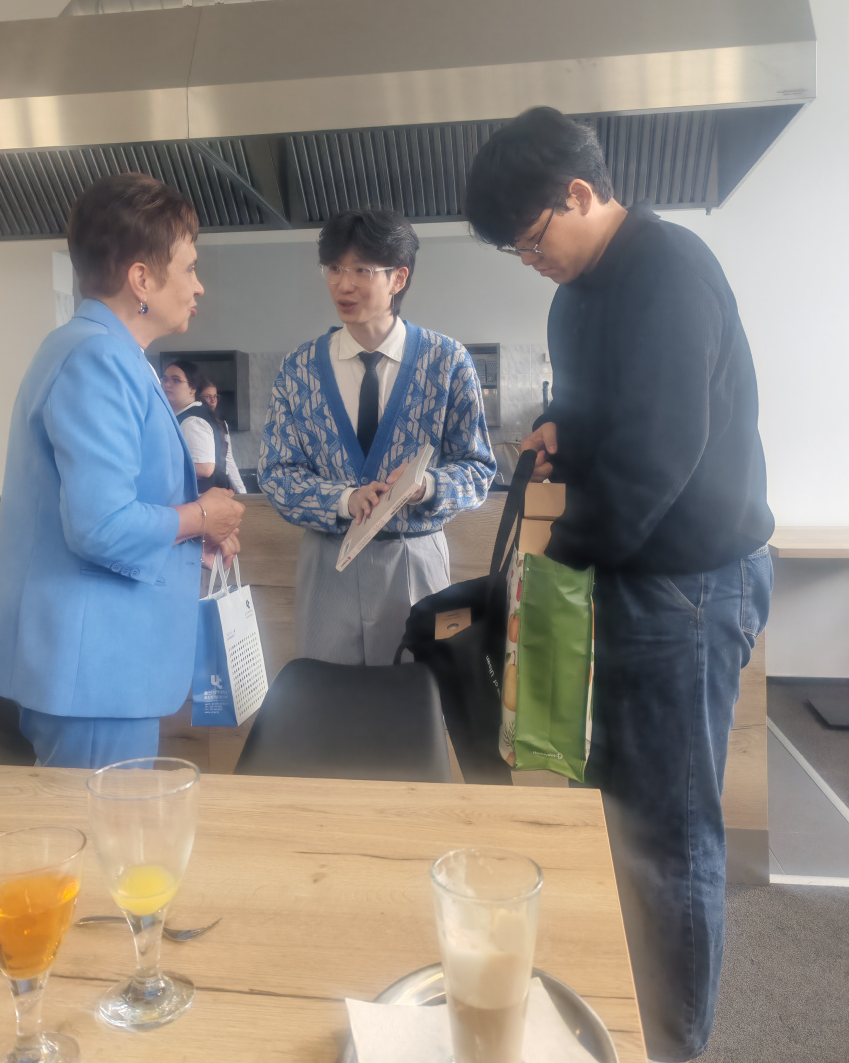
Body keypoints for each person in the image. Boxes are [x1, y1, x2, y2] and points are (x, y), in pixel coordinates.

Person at [464, 107, 774, 1063]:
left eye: (531, 239)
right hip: (633, 579)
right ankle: (630, 1017)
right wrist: (563, 426)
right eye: (515, 251)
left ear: (580, 194)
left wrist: (562, 555)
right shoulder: (576, 297)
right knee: (618, 819)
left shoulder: (670, 272)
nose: (530, 261)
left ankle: (674, 1047)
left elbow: (658, 456)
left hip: (692, 587)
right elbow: (604, 411)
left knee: (670, 838)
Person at [0, 172, 244, 769]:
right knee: (103, 826)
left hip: (93, 665)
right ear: (141, 278)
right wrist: (201, 517)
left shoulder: (98, 349)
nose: (199, 285)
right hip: (93, 670)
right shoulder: (99, 357)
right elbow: (99, 525)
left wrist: (185, 540)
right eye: (190, 267)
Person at [258, 208, 495, 668]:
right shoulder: (299, 369)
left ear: (398, 278)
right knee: (328, 698)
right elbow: (276, 473)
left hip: (414, 559)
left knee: (416, 695)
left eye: (362, 270)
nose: (343, 284)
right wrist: (344, 500)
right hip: (328, 562)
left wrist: (427, 486)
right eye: (334, 268)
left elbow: (478, 468)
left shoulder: (447, 362)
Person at [162, 359, 244, 493]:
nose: (167, 384)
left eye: (176, 380)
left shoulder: (192, 421)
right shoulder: (191, 415)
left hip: (201, 497)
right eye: (165, 379)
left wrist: (158, 464)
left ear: (193, 388)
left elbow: (204, 468)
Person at [198, 379, 247, 493]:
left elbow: (228, 459)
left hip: (221, 483)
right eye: (208, 396)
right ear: (199, 398)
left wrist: (242, 491)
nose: (213, 400)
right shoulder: (195, 422)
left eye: (215, 396)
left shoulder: (222, 424)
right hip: (203, 486)